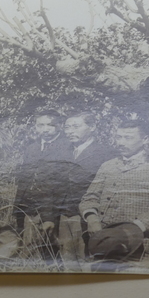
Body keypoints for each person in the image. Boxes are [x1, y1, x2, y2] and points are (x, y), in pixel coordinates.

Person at [78, 119, 149, 265]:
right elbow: (89, 197)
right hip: (104, 244)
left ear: (145, 139)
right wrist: (92, 218)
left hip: (142, 248)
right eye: (118, 137)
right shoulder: (108, 166)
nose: (121, 142)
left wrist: (134, 228)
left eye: (128, 138)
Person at [58, 112, 116, 267]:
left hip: (89, 217)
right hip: (64, 215)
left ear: (92, 127)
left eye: (76, 126)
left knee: (88, 261)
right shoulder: (63, 151)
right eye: (67, 127)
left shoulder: (106, 153)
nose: (70, 131)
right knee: (68, 260)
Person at [14, 110, 73, 260]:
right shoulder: (32, 148)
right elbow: (24, 179)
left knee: (51, 248)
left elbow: (60, 183)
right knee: (28, 245)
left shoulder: (67, 147)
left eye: (50, 125)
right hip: (28, 206)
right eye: (40, 125)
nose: (45, 129)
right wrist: (18, 206)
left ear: (59, 126)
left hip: (52, 206)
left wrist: (50, 215)